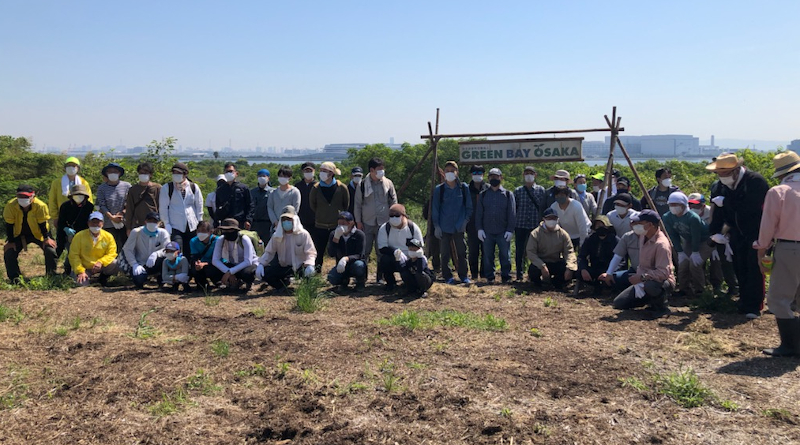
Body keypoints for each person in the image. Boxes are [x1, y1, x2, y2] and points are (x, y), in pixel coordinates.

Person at [707, 153, 769, 318]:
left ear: (735, 171)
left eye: (725, 174)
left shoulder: (755, 181)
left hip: (756, 231)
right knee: (739, 266)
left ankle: (754, 306)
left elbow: (752, 207)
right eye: (719, 174)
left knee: (754, 268)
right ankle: (743, 300)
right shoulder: (720, 186)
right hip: (735, 232)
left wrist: (727, 202)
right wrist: (714, 232)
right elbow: (717, 210)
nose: (722, 178)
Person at [755, 151, 800, 356]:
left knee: (778, 298)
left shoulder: (779, 192)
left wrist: (761, 249)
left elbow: (768, 226)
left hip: (790, 248)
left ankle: (790, 346)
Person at [611, 210, 675, 314]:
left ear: (650, 225)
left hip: (660, 282)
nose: (636, 226)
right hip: (642, 280)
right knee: (619, 303)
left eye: (640, 223)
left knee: (650, 286)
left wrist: (642, 277)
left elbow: (663, 273)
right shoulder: (642, 237)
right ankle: (648, 299)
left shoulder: (661, 245)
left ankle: (661, 305)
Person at [354, 157, 397, 284]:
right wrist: (358, 222)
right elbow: (357, 205)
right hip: (366, 223)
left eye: (383, 169)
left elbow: (393, 201)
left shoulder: (388, 183)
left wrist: (393, 219)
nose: (382, 172)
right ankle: (362, 277)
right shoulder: (362, 185)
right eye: (379, 169)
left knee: (381, 251)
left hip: (383, 223)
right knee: (364, 251)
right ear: (372, 170)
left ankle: (380, 277)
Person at [663, 192, 713, 298]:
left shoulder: (692, 217)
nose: (673, 207)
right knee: (683, 264)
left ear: (683, 205)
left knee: (695, 264)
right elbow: (673, 235)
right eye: (671, 205)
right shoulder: (667, 217)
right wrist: (680, 251)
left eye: (676, 204)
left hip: (705, 241)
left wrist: (695, 252)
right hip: (688, 240)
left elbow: (696, 236)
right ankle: (684, 289)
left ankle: (700, 290)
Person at [3, 185, 58, 282]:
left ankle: (51, 275)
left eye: (26, 197)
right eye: (20, 197)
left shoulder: (41, 206)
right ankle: (15, 279)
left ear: (33, 196)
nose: (23, 199)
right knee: (9, 252)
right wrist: (10, 241)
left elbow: (42, 224)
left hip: (39, 233)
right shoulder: (10, 205)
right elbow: (9, 224)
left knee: (50, 250)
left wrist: (47, 238)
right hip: (17, 234)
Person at [257, 206, 316, 291]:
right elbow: (269, 252)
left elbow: (310, 252)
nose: (286, 222)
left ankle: (305, 289)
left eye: (289, 219)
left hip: (300, 267)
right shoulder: (276, 236)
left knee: (309, 274)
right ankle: (283, 285)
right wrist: (261, 264)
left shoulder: (303, 235)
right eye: (284, 219)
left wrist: (310, 264)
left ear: (294, 219)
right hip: (284, 267)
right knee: (267, 273)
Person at [431, 160, 472, 284]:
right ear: (444, 173)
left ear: (457, 172)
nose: (450, 173)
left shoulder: (463, 188)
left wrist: (465, 222)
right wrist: (436, 226)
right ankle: (447, 276)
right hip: (444, 226)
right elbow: (435, 209)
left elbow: (468, 207)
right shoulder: (440, 190)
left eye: (452, 171)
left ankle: (463, 276)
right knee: (444, 254)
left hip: (459, 226)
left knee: (462, 252)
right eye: (447, 171)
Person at [475, 168, 516, 284]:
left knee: (505, 255)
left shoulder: (508, 194)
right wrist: (479, 229)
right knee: (488, 256)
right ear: (488, 178)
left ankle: (506, 277)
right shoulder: (483, 195)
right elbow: (479, 214)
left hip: (503, 231)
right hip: (487, 231)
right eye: (492, 177)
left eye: (496, 177)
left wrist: (510, 230)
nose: (494, 179)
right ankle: (490, 277)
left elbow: (512, 213)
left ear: (501, 178)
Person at [309, 161, 350, 271]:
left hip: (336, 225)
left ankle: (340, 273)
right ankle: (317, 273)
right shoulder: (316, 188)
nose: (321, 173)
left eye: (325, 171)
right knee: (319, 251)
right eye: (321, 171)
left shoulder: (341, 187)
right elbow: (313, 205)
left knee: (339, 250)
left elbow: (346, 205)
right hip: (320, 225)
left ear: (331, 173)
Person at [377, 204, 425, 291]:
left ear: (404, 216)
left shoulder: (413, 228)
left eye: (397, 215)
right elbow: (382, 248)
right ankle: (390, 283)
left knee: (420, 262)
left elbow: (420, 246)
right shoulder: (384, 228)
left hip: (410, 257)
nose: (394, 218)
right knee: (384, 260)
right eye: (391, 216)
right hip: (394, 258)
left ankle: (415, 284)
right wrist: (395, 252)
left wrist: (412, 255)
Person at [159, 162, 203, 255]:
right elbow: (163, 207)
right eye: (174, 172)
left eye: (178, 173)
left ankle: (189, 268)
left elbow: (199, 205)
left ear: (185, 174)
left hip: (192, 225)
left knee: (191, 251)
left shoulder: (193, 187)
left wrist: (200, 222)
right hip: (175, 225)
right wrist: (166, 223)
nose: (176, 175)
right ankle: (178, 268)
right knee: (176, 250)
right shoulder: (167, 188)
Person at [526, 208, 576, 290]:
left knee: (572, 272)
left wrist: (569, 267)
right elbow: (531, 252)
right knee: (533, 271)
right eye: (549, 218)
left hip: (556, 261)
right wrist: (542, 266)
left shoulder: (563, 234)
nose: (551, 220)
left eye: (554, 218)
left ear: (557, 220)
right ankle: (538, 284)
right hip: (541, 262)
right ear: (544, 219)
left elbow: (569, 251)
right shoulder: (536, 233)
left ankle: (555, 283)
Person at [68, 211, 119, 286]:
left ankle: (103, 277)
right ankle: (84, 277)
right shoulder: (79, 236)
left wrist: (101, 262)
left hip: (100, 266)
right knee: (82, 284)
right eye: (93, 222)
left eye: (98, 222)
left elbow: (112, 253)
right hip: (84, 267)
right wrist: (80, 271)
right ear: (88, 223)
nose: (95, 224)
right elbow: (73, 256)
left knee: (116, 263)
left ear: (102, 224)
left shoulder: (108, 236)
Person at [121, 211, 170, 289]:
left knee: (167, 258)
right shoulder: (136, 232)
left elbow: (167, 249)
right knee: (138, 280)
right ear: (145, 221)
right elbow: (128, 249)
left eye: (155, 221)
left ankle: (161, 279)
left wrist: (156, 254)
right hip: (141, 264)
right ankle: (142, 279)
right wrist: (134, 264)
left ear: (158, 223)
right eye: (150, 221)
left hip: (157, 262)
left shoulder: (163, 233)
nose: (152, 223)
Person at [513, 166, 545, 281]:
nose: (528, 175)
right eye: (526, 173)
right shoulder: (517, 191)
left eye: (531, 173)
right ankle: (519, 274)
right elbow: (514, 209)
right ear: (523, 175)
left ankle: (534, 273)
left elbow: (543, 208)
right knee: (519, 251)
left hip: (535, 225)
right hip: (520, 225)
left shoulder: (541, 190)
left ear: (535, 175)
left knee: (535, 251)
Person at [212, 218, 259, 292]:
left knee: (247, 273)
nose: (227, 232)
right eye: (225, 230)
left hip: (248, 265)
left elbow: (248, 261)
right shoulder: (221, 240)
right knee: (213, 269)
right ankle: (231, 283)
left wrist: (230, 272)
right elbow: (215, 260)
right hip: (232, 264)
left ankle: (248, 283)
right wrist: (228, 271)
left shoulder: (244, 239)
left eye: (230, 230)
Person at [56, 184, 93, 275]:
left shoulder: (89, 206)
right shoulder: (65, 206)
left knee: (80, 252)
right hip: (67, 232)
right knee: (69, 250)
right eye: (76, 195)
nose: (79, 197)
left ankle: (80, 269)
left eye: (81, 195)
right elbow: (61, 222)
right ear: (71, 196)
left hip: (83, 232)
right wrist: (65, 228)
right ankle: (63, 269)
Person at [48, 156, 93, 230]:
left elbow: (89, 199)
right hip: (63, 216)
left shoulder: (84, 182)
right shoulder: (56, 183)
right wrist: (55, 217)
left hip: (80, 215)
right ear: (65, 168)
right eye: (68, 166)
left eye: (73, 166)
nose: (71, 168)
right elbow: (52, 200)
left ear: (78, 168)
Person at [326, 211, 366, 291]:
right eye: (339, 223)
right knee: (332, 277)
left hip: (355, 263)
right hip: (341, 265)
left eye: (344, 223)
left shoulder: (359, 234)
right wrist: (336, 238)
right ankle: (343, 282)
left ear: (351, 223)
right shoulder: (334, 234)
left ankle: (360, 282)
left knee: (359, 266)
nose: (341, 226)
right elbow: (331, 253)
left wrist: (346, 258)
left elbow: (360, 254)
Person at [96, 162, 131, 251]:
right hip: (108, 222)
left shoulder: (127, 186)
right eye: (110, 171)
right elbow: (101, 205)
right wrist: (112, 217)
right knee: (110, 247)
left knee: (125, 246)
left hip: (124, 222)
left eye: (115, 171)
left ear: (119, 173)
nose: (113, 173)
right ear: (106, 174)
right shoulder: (101, 188)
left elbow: (129, 202)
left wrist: (122, 214)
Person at [577, 216, 619, 289]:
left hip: (609, 270)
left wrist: (609, 273)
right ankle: (595, 285)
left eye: (603, 225)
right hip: (595, 268)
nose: (601, 228)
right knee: (578, 273)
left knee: (617, 277)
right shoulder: (590, 239)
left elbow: (621, 261)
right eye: (598, 226)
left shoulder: (615, 240)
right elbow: (581, 256)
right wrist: (583, 269)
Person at [124, 162, 160, 234]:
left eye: (146, 172)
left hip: (155, 224)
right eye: (141, 172)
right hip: (137, 224)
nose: (143, 174)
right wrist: (128, 227)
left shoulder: (157, 188)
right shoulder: (133, 190)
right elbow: (129, 209)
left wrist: (161, 223)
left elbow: (162, 207)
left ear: (151, 174)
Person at [466, 165, 489, 280]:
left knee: (486, 251)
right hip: (471, 225)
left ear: (483, 174)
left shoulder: (488, 188)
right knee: (473, 251)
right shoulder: (466, 189)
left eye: (479, 172)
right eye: (474, 172)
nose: (477, 174)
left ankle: (484, 274)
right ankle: (474, 274)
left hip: (486, 225)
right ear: (471, 174)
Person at [215, 162, 252, 230]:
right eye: (226, 171)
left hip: (240, 222)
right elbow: (217, 206)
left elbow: (250, 205)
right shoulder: (220, 190)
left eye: (231, 171)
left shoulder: (243, 188)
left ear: (236, 173)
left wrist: (248, 220)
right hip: (225, 223)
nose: (228, 173)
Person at [268, 166, 302, 231]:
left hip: (290, 226)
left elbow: (296, 209)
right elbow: (270, 207)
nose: (282, 178)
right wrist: (275, 222)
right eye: (281, 176)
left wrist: (287, 221)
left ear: (290, 178)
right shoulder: (273, 193)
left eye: (285, 176)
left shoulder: (295, 192)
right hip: (275, 226)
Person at [189, 221, 220, 290]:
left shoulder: (218, 240)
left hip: (215, 264)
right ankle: (201, 283)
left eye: (203, 231)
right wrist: (197, 263)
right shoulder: (193, 241)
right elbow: (195, 256)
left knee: (211, 269)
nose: (200, 233)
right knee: (194, 267)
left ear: (211, 231)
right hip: (201, 263)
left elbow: (220, 258)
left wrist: (205, 263)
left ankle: (217, 281)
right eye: (198, 231)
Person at [250, 168, 274, 245]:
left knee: (268, 246)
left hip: (268, 224)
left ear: (268, 178)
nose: (262, 178)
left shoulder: (273, 192)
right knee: (254, 245)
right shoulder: (252, 192)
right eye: (260, 176)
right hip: (254, 224)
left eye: (264, 176)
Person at [295, 161, 318, 234]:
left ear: (314, 171)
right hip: (300, 221)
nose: (308, 172)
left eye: (310, 170)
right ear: (302, 172)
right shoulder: (297, 186)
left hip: (315, 221)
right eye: (306, 170)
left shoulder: (318, 185)